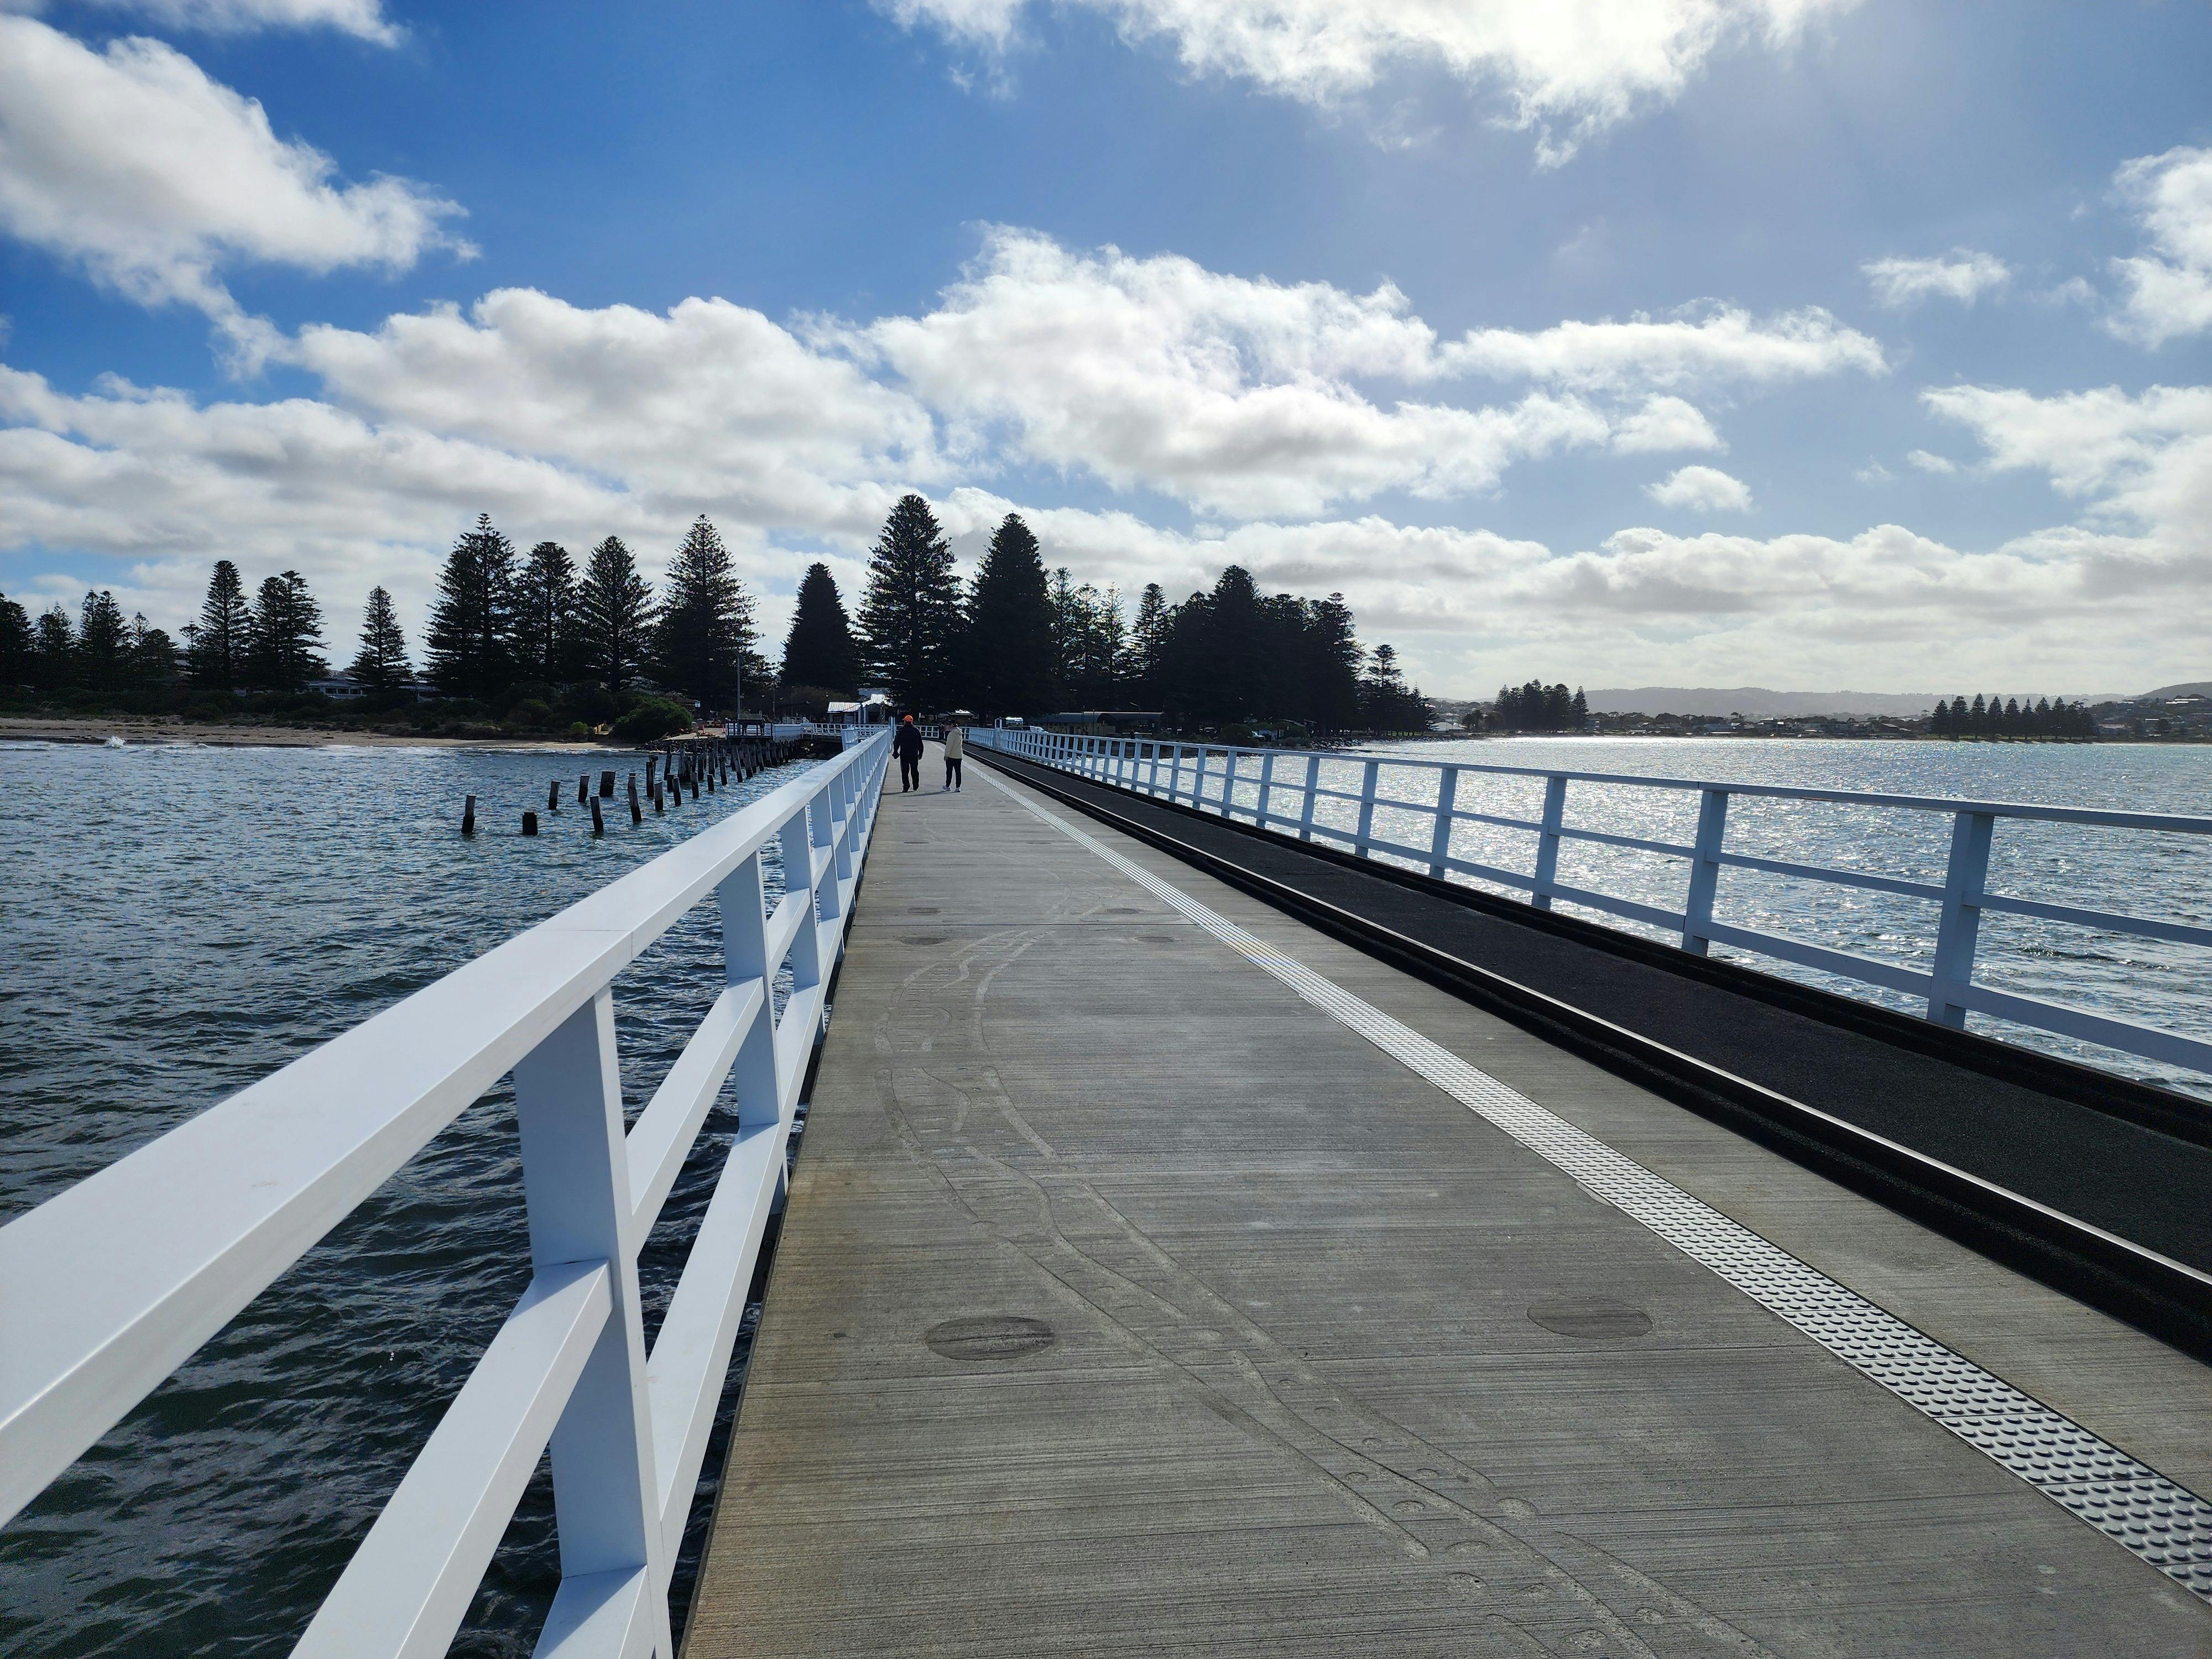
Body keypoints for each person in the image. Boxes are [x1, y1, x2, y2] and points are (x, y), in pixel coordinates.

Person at [893, 713, 924, 792]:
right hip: (914, 754)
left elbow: (897, 742)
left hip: (904, 754)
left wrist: (896, 751)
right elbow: (920, 743)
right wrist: (921, 753)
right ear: (912, 721)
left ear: (905, 721)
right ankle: (916, 785)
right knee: (915, 770)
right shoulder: (916, 730)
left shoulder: (902, 730)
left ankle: (906, 786)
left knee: (905, 771)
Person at [941, 722, 964, 791]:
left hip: (951, 756)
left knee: (949, 772)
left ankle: (948, 786)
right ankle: (958, 787)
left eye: (947, 725)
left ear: (952, 725)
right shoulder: (959, 733)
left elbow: (949, 746)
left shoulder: (952, 734)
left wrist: (946, 755)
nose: (945, 726)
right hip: (959, 755)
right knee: (958, 772)